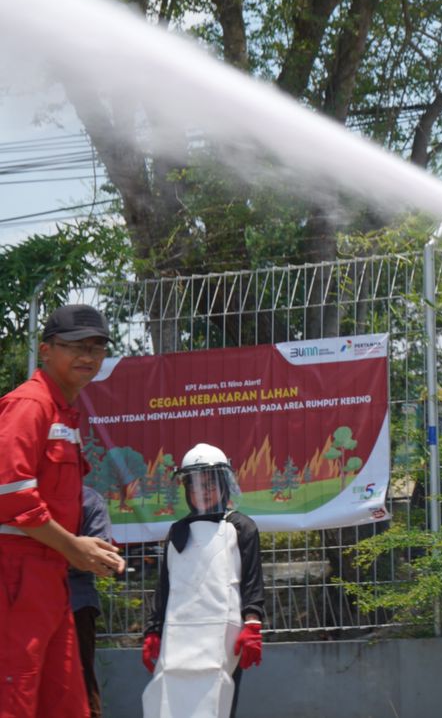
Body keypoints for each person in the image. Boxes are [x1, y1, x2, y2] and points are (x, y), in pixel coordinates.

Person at [0, 303, 125, 718]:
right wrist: (74, 548)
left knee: (66, 702)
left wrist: (76, 546)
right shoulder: (29, 406)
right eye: (75, 346)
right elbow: (10, 496)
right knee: (15, 696)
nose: (88, 356)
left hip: (51, 575)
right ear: (45, 350)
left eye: (97, 347)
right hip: (17, 573)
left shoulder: (65, 413)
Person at [142, 444, 264, 718]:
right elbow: (165, 586)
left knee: (218, 703)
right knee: (173, 704)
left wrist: (253, 624)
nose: (203, 491)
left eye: (210, 483)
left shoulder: (241, 527)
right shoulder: (177, 532)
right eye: (195, 485)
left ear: (224, 485)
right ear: (186, 490)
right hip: (179, 634)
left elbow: (252, 582)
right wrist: (153, 630)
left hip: (224, 634)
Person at [69, 486, 114, 718]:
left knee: (79, 679)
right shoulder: (29, 498)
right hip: (26, 600)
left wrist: (46, 554)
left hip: (74, 604)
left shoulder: (89, 500)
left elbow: (98, 557)